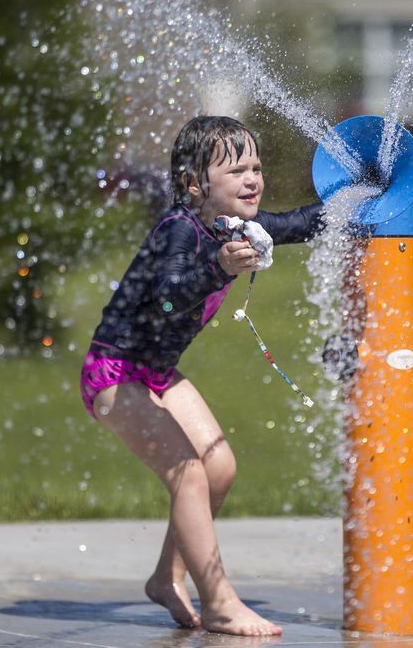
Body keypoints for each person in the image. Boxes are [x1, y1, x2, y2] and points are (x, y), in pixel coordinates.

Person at [80, 116, 323, 636]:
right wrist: (218, 266)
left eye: (256, 167)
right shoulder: (179, 229)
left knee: (220, 469)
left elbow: (303, 222)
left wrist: (358, 204)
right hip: (114, 373)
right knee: (188, 472)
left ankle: (167, 578)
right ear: (195, 184)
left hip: (158, 374)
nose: (253, 179)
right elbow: (168, 296)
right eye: (237, 170)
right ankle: (218, 602)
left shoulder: (237, 230)